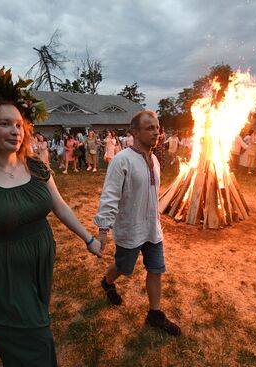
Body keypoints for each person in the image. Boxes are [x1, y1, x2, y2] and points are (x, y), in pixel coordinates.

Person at [0, 80, 102, 364]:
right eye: (5, 124)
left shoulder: (37, 167)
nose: (15, 131)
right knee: (39, 347)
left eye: (19, 125)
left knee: (29, 345)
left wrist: (88, 238)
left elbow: (61, 206)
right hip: (0, 274)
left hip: (37, 268)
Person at [94, 110, 181, 337]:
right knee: (123, 268)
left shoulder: (154, 160)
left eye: (157, 127)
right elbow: (110, 195)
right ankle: (107, 282)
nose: (156, 132)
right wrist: (103, 230)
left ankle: (154, 313)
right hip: (130, 229)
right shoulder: (122, 160)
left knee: (156, 270)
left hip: (152, 229)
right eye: (150, 128)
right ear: (134, 132)